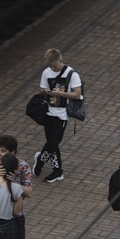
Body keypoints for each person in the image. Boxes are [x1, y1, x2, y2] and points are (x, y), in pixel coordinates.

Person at [33, 48, 82, 183]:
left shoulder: (72, 74)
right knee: (52, 143)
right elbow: (42, 89)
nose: (53, 69)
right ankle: (57, 170)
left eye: (55, 66)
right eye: (51, 67)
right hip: (49, 112)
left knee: (54, 142)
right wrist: (46, 92)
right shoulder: (46, 73)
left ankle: (42, 160)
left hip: (62, 114)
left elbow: (77, 94)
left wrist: (61, 94)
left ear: (61, 60)